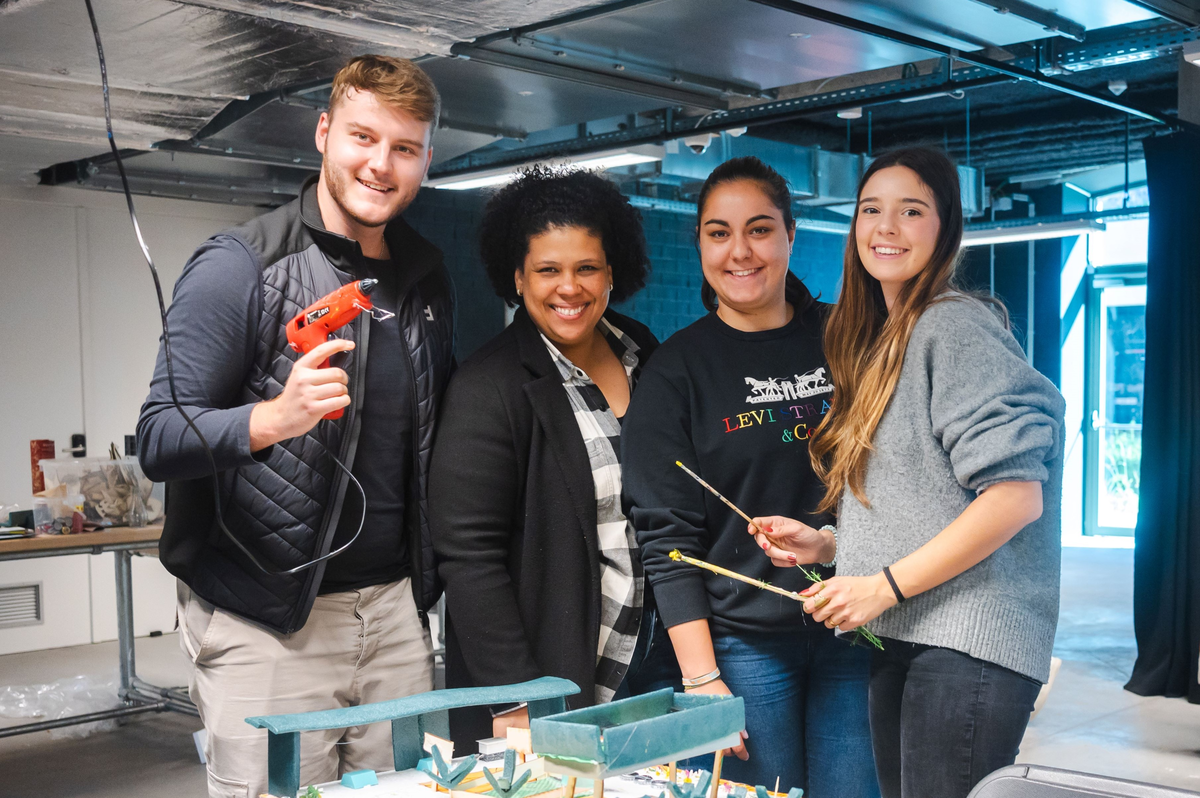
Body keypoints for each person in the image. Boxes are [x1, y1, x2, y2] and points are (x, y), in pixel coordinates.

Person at [136, 55, 454, 797]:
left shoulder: (426, 277)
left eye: (404, 149)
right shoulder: (239, 265)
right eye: (363, 138)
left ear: (427, 160)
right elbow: (159, 437)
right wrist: (271, 419)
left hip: (396, 613)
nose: (381, 165)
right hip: (265, 620)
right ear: (323, 133)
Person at [750, 147, 1065, 798]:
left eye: (911, 211)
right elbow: (929, 500)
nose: (886, 227)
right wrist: (833, 546)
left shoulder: (953, 326)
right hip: (909, 631)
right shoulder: (887, 339)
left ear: (945, 229)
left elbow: (1014, 497)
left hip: (967, 638)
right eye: (871, 210)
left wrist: (883, 586)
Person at [622, 157, 878, 796]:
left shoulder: (849, 339)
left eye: (760, 229)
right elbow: (666, 537)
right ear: (701, 243)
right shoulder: (676, 370)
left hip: (859, 628)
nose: (740, 251)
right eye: (718, 232)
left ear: (792, 234)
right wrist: (703, 680)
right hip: (745, 647)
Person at [429, 166, 680, 751]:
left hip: (658, 657)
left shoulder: (643, 351)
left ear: (612, 273)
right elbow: (468, 557)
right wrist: (517, 696)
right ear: (517, 279)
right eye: (548, 270)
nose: (570, 288)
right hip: (556, 673)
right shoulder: (488, 386)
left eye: (587, 268)